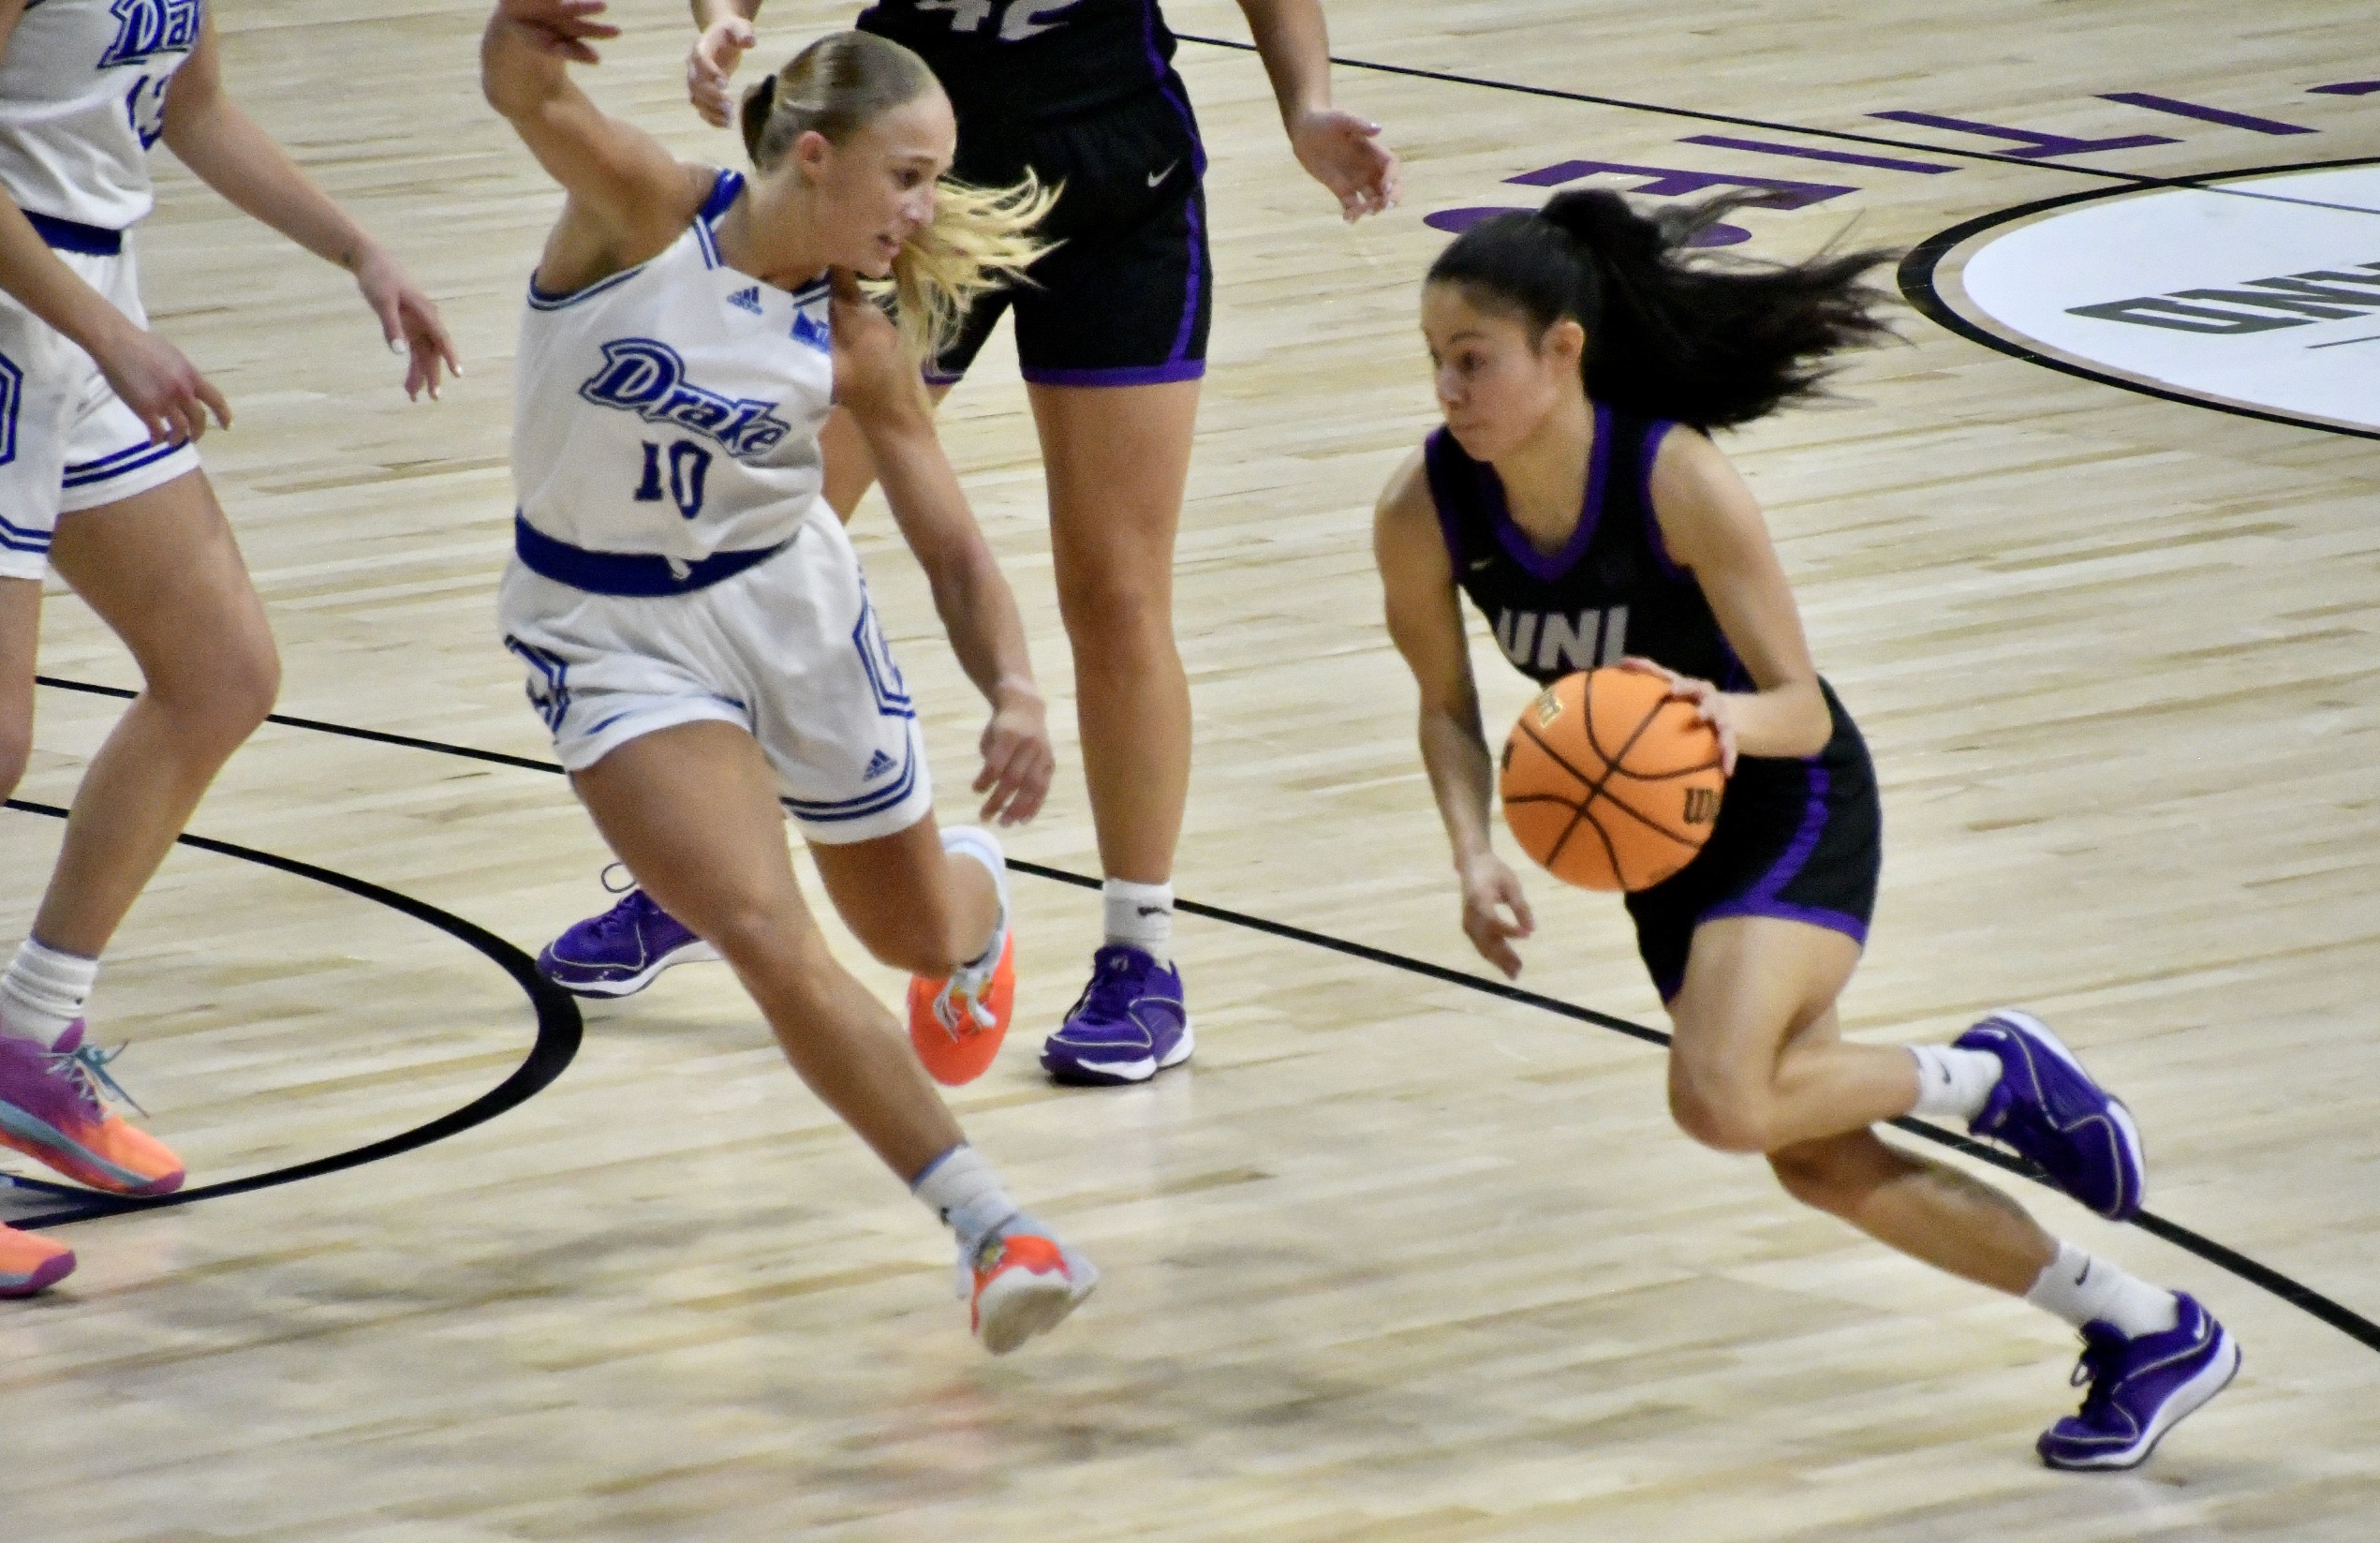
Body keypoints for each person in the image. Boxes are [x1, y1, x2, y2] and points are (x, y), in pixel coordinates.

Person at [1371, 189, 2239, 1470]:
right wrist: (1471, 850)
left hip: (1788, 792)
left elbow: (1793, 702)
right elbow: (1447, 710)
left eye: (1472, 357)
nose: (1448, 386)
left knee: (1721, 1098)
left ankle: (1995, 1075)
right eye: (1435, 358)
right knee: (1814, 1155)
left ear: (1562, 350)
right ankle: (2143, 1323)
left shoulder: (1676, 477)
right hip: (1663, 851)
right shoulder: (1425, 507)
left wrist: (1713, 715)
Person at [536, 0, 1400, 1088]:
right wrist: (723, 22)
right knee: (762, 543)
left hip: (1114, 176)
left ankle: (1144, 961)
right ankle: (703, 880)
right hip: (910, 179)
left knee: (1117, 591)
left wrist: (1307, 103)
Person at [483, 0, 1095, 1351]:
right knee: (765, 936)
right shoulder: (645, 215)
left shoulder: (857, 339)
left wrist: (1016, 689)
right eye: (910, 177)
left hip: (787, 612)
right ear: (813, 155)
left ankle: (978, 913)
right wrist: (522, 21)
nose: (926, 213)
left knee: (911, 935)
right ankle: (997, 1231)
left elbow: (951, 547)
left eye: (936, 181)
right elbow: (524, 92)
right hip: (608, 631)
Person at [0, 0, 457, 1295]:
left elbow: (193, 109)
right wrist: (105, 331)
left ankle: (31, 1044)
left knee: (220, 672)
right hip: (27, 313)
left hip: (86, 313)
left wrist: (361, 247)